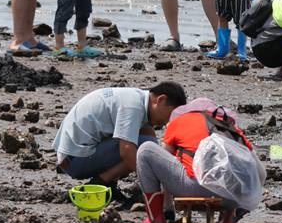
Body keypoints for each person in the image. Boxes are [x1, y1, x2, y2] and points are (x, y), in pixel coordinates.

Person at [130, 98, 265, 223]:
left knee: (146, 150)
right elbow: (261, 174)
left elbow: (163, 165)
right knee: (231, 171)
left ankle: (154, 220)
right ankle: (228, 219)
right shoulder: (232, 129)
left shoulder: (180, 122)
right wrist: (241, 203)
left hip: (193, 188)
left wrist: (168, 209)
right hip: (235, 199)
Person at [53, 82, 187, 204]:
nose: (168, 121)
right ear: (160, 100)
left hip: (74, 154)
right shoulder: (133, 106)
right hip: (74, 160)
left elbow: (151, 142)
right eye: (170, 115)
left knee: (147, 140)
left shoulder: (138, 99)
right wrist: (154, 184)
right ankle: (103, 181)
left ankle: (107, 181)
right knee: (143, 146)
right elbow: (126, 150)